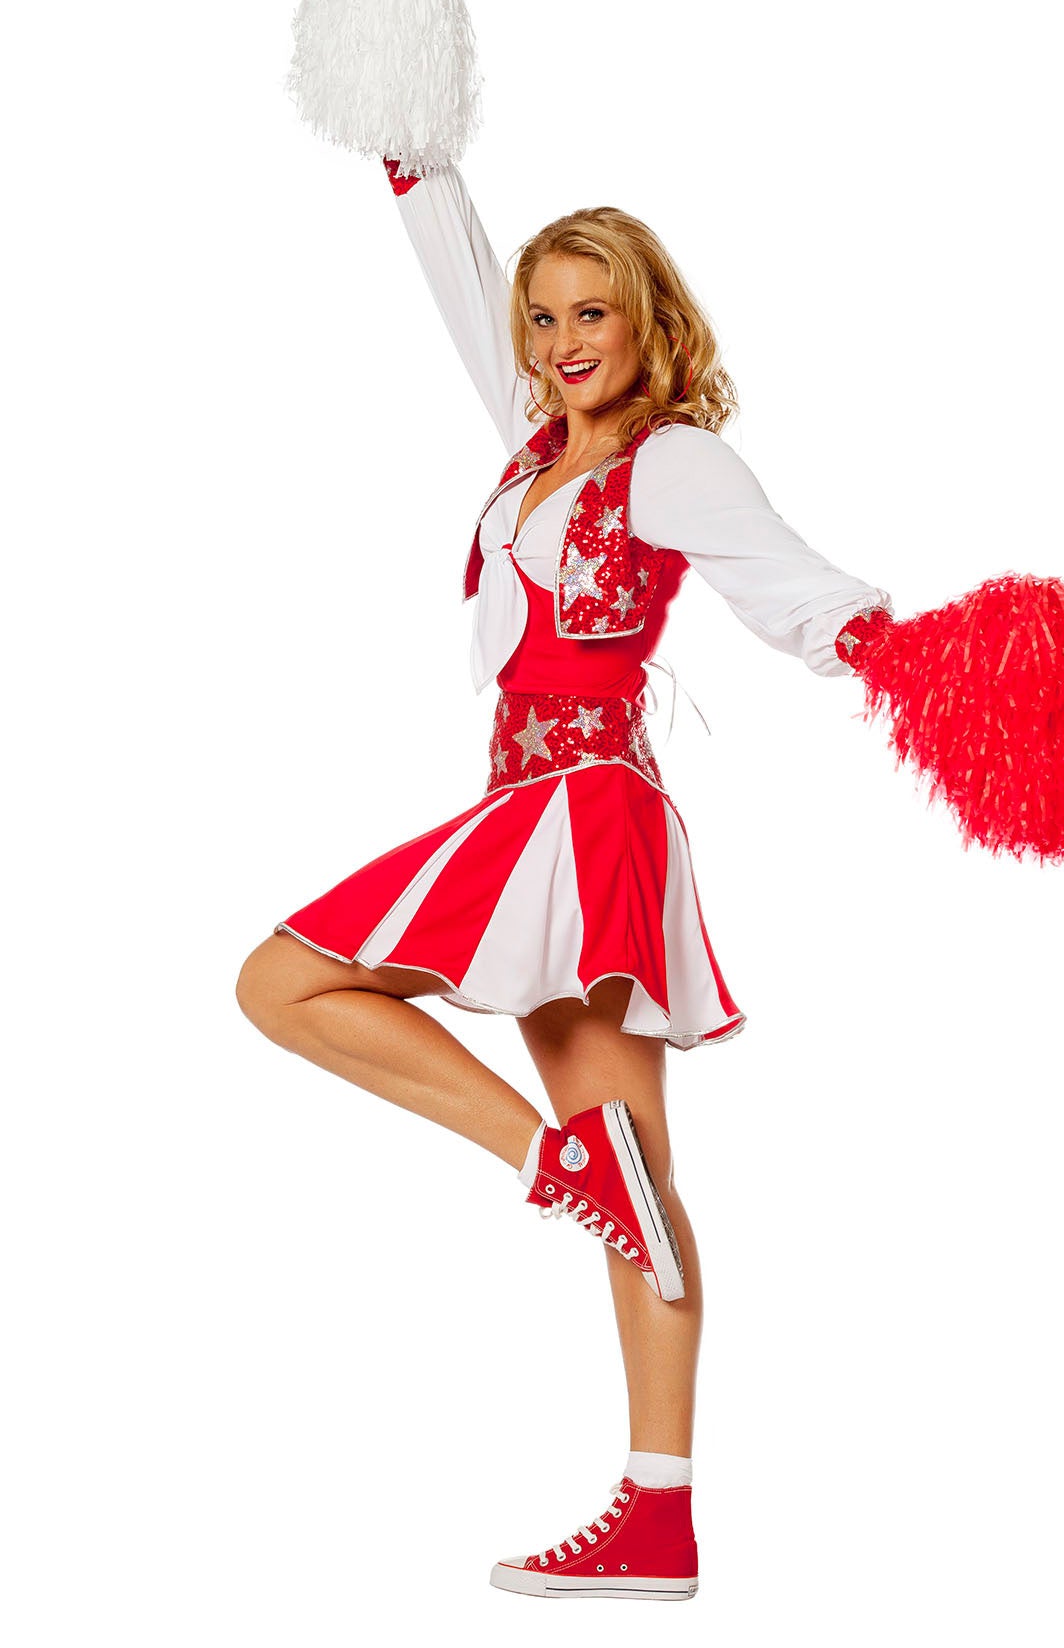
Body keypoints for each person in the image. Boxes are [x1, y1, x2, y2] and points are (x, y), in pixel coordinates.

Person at [235, 159, 892, 1601]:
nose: (560, 341)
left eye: (592, 313)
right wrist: (415, 156)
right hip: (531, 802)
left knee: (279, 982)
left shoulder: (672, 461)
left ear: (649, 321)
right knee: (636, 1177)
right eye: (543, 318)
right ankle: (658, 1515)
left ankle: (559, 1177)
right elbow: (466, 290)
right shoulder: (538, 438)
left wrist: (891, 651)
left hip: (583, 806)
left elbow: (784, 580)